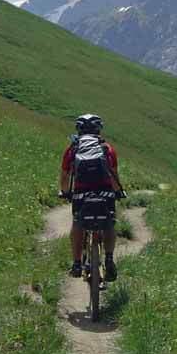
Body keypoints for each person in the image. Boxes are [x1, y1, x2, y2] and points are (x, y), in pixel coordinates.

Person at [60, 113, 124, 281]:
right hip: (105, 192)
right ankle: (109, 258)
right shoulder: (107, 148)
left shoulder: (72, 148)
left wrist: (65, 192)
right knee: (109, 222)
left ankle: (76, 263)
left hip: (81, 194)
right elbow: (113, 174)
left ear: (79, 130)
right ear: (99, 129)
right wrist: (118, 191)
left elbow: (65, 176)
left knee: (77, 223)